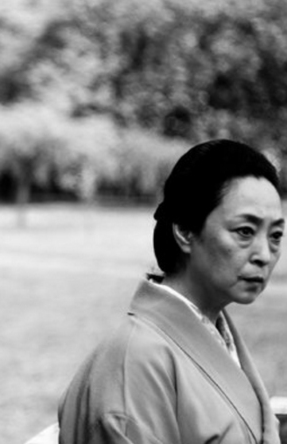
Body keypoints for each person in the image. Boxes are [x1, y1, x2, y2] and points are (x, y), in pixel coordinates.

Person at [56, 139, 284, 444]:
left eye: (276, 235)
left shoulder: (216, 334)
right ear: (185, 231)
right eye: (245, 231)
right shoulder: (136, 362)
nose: (265, 255)